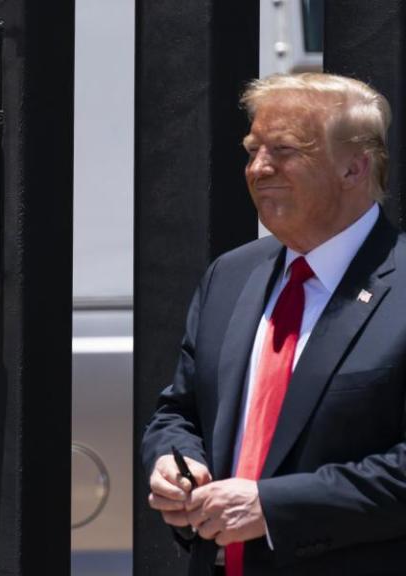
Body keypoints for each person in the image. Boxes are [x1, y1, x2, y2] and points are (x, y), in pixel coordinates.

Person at [142, 72, 406, 575]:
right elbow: (178, 410)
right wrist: (174, 464)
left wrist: (272, 507)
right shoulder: (232, 274)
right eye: (252, 150)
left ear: (355, 168)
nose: (258, 168)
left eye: (284, 150)